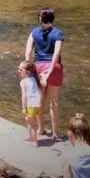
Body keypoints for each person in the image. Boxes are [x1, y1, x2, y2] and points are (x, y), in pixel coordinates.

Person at [24, 7, 64, 140]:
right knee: (54, 103)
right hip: (54, 69)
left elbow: (29, 51)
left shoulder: (34, 32)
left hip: (38, 67)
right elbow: (56, 53)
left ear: (40, 19)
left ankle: (41, 129)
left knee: (39, 100)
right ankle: (55, 133)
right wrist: (51, 70)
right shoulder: (58, 33)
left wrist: (28, 67)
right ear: (53, 19)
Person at [18, 61, 42, 147]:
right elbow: (39, 91)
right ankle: (30, 137)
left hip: (30, 105)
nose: (19, 71)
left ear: (28, 72)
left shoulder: (23, 82)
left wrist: (24, 107)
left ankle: (35, 141)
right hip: (37, 104)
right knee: (28, 121)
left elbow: (24, 96)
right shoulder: (34, 79)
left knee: (31, 124)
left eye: (21, 69)